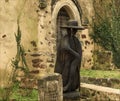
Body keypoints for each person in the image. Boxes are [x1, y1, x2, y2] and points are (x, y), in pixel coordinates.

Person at [54, 20, 84, 92]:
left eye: (75, 30)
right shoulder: (65, 39)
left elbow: (78, 53)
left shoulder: (75, 40)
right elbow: (65, 47)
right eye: (73, 30)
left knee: (76, 61)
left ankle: (70, 85)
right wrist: (74, 54)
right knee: (70, 63)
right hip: (65, 63)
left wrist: (76, 55)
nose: (74, 32)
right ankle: (67, 85)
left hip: (73, 62)